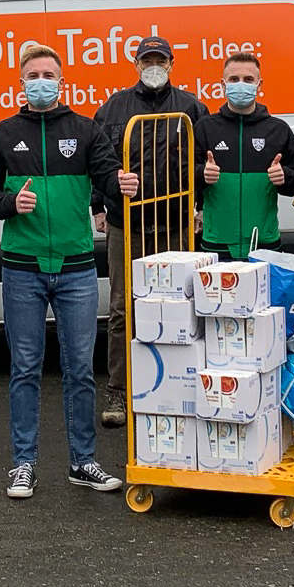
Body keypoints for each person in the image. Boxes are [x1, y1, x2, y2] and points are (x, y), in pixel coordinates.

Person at [0, 44, 139, 499]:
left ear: (61, 82)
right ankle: (22, 464)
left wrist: (122, 184)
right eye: (33, 74)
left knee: (80, 369)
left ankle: (83, 462)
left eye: (48, 73)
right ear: (21, 84)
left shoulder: (84, 130)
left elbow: (108, 178)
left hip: (77, 268)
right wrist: (10, 204)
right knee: (25, 368)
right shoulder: (4, 134)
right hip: (23, 269)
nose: (40, 81)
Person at [91, 36, 208, 429]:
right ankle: (119, 393)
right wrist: (98, 206)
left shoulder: (192, 107)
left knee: (183, 306)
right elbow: (100, 161)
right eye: (147, 60)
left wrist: (199, 205)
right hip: (129, 225)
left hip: (176, 225)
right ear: (136, 64)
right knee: (123, 309)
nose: (153, 66)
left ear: (172, 63)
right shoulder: (113, 108)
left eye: (160, 59)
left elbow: (205, 162)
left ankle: (182, 388)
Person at [193, 52, 294, 259]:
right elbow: (180, 176)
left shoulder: (278, 130)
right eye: (234, 79)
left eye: (248, 80)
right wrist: (201, 173)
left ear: (259, 85)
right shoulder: (204, 128)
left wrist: (285, 177)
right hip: (217, 245)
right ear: (223, 84)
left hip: (264, 245)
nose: (241, 85)